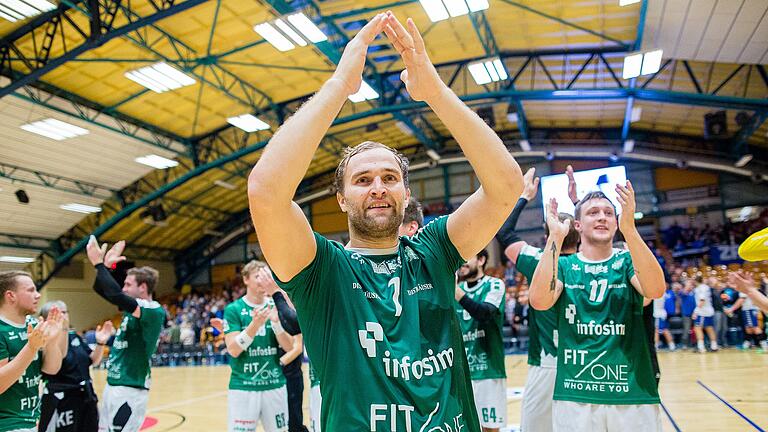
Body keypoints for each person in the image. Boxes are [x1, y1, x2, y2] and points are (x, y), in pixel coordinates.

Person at [246, 10, 523, 431]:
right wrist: (340, 86)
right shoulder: (322, 269)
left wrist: (434, 91)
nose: (378, 186)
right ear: (341, 199)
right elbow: (266, 192)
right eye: (362, 180)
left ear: (406, 194)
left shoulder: (432, 249)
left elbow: (506, 186)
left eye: (389, 178)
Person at [528, 184, 665, 432]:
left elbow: (655, 290)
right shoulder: (566, 266)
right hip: (575, 393)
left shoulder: (626, 261)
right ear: (577, 225)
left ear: (616, 222)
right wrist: (555, 239)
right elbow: (539, 301)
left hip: (631, 391)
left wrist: (630, 230)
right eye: (593, 212)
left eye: (608, 213)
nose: (602, 216)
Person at [495, 167, 579, 432]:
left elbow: (505, 234)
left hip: (547, 363)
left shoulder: (536, 260)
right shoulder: (591, 264)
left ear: (547, 237)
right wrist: (577, 202)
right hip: (584, 362)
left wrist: (523, 197)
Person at [85, 237, 166, 432]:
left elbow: (115, 295)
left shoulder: (153, 310)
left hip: (131, 388)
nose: (123, 288)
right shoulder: (133, 311)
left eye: (128, 284)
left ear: (143, 287)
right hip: (114, 384)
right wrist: (106, 266)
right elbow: (101, 289)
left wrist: (98, 264)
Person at [223, 260, 294, 432]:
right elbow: (233, 350)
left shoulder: (276, 306)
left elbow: (290, 347)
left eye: (266, 276)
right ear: (246, 279)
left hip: (274, 384)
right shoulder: (234, 309)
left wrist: (276, 324)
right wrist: (254, 325)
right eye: (258, 276)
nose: (263, 280)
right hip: (244, 386)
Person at [0, 271, 66, 432]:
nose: (37, 295)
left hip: (30, 420)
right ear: (11, 296)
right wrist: (31, 348)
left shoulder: (33, 323)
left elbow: (51, 369)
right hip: (7, 424)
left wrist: (52, 342)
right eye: (30, 290)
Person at [38, 301, 114, 432]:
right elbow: (58, 360)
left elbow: (93, 361)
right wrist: (61, 329)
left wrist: (101, 343)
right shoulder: (46, 341)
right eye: (58, 313)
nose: (63, 316)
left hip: (85, 396)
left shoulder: (75, 337)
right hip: (62, 400)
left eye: (64, 312)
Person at [455, 249, 506, 432]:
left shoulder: (494, 285)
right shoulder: (456, 291)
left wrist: (455, 292)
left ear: (481, 259)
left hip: (488, 371)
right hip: (460, 375)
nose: (462, 262)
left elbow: (484, 314)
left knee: (489, 428)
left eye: (467, 257)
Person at [692, 275, 718, 353]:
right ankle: (714, 346)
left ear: (695, 281)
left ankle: (701, 347)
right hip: (708, 310)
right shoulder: (706, 287)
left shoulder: (700, 288)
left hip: (702, 312)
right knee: (709, 328)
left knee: (698, 328)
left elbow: (702, 300)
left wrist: (695, 311)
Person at [654, 286, 676, 351]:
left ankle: (656, 346)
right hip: (662, 313)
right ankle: (672, 345)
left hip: (658, 314)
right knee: (664, 330)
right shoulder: (663, 293)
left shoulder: (656, 293)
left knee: (657, 331)